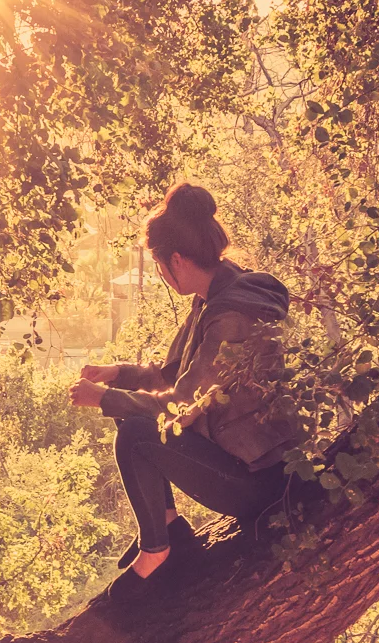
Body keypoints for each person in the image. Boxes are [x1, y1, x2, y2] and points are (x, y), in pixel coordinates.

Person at [69, 183, 302, 600]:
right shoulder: (216, 297)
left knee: (137, 431)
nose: (161, 275)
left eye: (159, 266)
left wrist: (102, 398)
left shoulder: (232, 314)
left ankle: (158, 552)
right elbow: (177, 375)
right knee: (132, 415)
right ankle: (170, 531)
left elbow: (181, 406)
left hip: (260, 482)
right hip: (245, 466)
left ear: (176, 259)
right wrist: (117, 374)